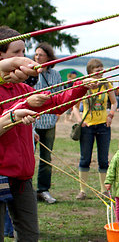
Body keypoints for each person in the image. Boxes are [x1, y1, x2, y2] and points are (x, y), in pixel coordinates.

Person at [0, 25, 97, 241]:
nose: (23, 59)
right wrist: (19, 110)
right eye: (16, 53)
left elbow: (55, 103)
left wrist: (81, 86)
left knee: (29, 236)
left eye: (24, 52)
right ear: (1, 56)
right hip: (1, 175)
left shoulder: (24, 89)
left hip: (23, 178)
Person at [73, 58, 118, 200]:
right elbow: (74, 107)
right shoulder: (83, 85)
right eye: (97, 69)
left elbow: (114, 102)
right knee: (85, 159)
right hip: (88, 127)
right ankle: (82, 190)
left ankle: (104, 190)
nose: (100, 72)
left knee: (103, 160)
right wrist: (81, 121)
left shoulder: (106, 84)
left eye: (101, 69)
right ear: (90, 72)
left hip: (104, 126)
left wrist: (111, 115)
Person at [32, 42, 63, 204]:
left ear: (49, 58)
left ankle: (43, 190)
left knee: (46, 158)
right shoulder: (29, 73)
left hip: (49, 122)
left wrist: (57, 113)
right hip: (31, 123)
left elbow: (60, 95)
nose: (37, 57)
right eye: (36, 54)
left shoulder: (55, 75)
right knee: (28, 157)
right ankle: (26, 192)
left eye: (41, 55)